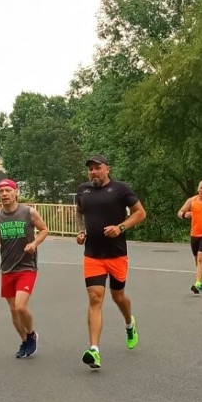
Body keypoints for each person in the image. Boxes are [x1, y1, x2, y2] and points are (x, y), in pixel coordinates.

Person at [75, 154, 147, 369]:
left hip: (116, 255)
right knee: (96, 298)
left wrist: (120, 227)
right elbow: (79, 212)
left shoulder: (121, 189)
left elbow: (140, 213)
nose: (93, 172)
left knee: (118, 296)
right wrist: (80, 231)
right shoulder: (83, 190)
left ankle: (129, 323)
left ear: (108, 169)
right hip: (92, 255)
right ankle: (94, 350)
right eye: (91, 169)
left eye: (98, 168)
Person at [0, 179, 48, 358]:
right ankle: (24, 341)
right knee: (13, 310)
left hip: (27, 267)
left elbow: (44, 230)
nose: (4, 194)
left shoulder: (28, 212)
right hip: (7, 268)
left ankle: (31, 335)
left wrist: (34, 243)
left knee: (20, 306)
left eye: (8, 190)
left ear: (16, 192)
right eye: (1, 191)